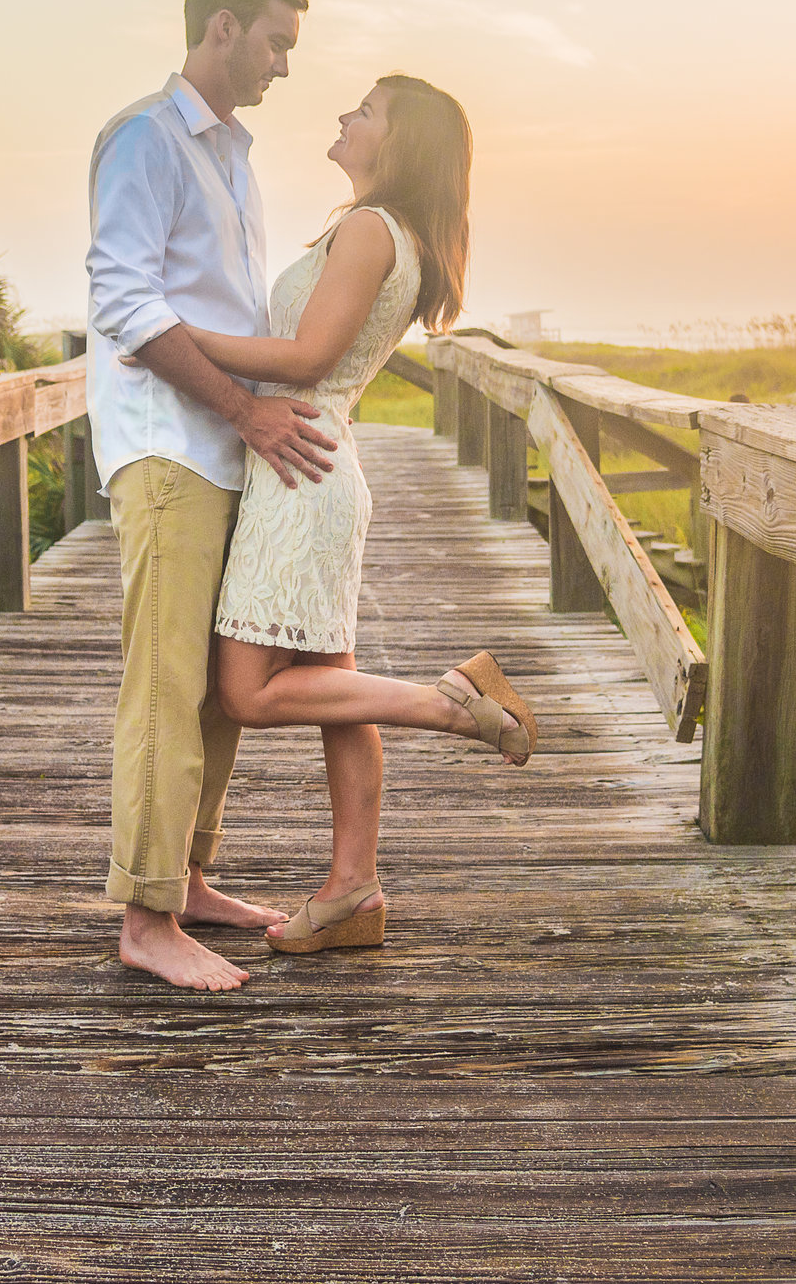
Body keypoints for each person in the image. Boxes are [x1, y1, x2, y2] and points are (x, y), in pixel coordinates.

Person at [185, 74, 542, 958]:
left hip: (299, 470)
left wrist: (174, 335)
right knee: (339, 691)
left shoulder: (370, 229)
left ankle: (449, 703)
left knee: (247, 691)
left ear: (401, 143)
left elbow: (306, 354)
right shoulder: (400, 235)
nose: (346, 116)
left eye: (366, 110)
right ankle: (355, 889)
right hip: (317, 463)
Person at [85, 0, 338, 991]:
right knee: (167, 681)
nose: (284, 64)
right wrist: (244, 409)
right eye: (277, 40)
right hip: (168, 446)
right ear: (222, 26)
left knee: (220, 698)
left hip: (227, 453)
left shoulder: (232, 158)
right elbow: (126, 304)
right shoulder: (146, 140)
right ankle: (145, 918)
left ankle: (185, 876)